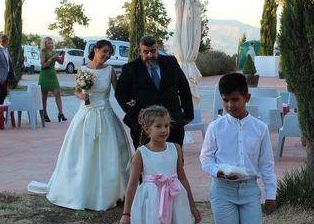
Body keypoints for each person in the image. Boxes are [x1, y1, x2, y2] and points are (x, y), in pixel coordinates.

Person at [199, 72, 276, 224]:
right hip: (223, 190)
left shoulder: (260, 128)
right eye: (225, 100)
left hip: (250, 190)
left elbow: (266, 164)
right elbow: (206, 158)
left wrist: (271, 194)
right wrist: (218, 172)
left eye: (235, 100)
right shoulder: (216, 127)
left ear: (246, 97)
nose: (230, 105)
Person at [27, 39, 132, 211]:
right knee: (82, 153)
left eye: (109, 53)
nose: (106, 55)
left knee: (109, 153)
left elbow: (119, 92)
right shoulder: (82, 70)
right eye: (104, 51)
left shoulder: (110, 71)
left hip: (106, 115)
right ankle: (80, 190)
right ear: (95, 50)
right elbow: (77, 90)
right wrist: (81, 96)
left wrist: (130, 102)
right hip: (85, 115)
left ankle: (109, 191)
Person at [115, 36, 194, 149]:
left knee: (175, 160)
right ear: (140, 51)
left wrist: (188, 114)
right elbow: (120, 94)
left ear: (157, 48)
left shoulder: (171, 62)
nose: (150, 55)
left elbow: (184, 88)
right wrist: (135, 114)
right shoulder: (130, 69)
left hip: (172, 123)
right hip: (144, 126)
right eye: (146, 52)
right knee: (147, 163)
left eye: (153, 51)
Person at [38, 36, 67, 123]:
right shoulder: (43, 52)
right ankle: (45, 114)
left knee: (57, 93)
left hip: (53, 75)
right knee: (44, 96)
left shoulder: (53, 52)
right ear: (45, 44)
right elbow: (43, 65)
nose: (50, 44)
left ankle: (61, 113)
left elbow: (61, 62)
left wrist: (63, 56)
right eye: (48, 43)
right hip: (44, 75)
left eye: (51, 43)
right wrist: (51, 59)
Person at [0, 35, 17, 105]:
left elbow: (8, 62)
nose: (8, 43)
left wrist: (13, 73)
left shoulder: (5, 50)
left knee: (4, 93)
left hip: (6, 75)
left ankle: (0, 109)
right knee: (1, 94)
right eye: (8, 41)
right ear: (3, 41)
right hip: (0, 76)